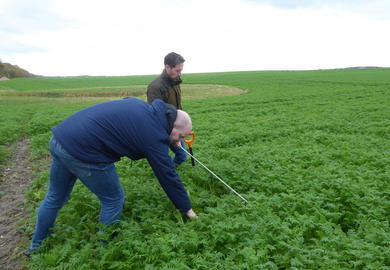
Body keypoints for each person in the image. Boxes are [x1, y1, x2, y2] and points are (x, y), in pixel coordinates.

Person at [25, 97, 197, 256]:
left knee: (55, 196)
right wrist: (187, 208)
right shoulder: (153, 135)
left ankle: (35, 246)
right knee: (113, 199)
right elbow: (167, 175)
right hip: (83, 151)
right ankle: (106, 251)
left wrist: (173, 140)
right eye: (180, 137)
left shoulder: (143, 107)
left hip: (60, 138)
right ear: (173, 126)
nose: (179, 141)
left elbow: (163, 134)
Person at [147, 52, 187, 165]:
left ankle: (170, 169)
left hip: (176, 126)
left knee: (182, 155)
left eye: (181, 70)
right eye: (177, 70)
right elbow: (156, 114)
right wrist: (173, 137)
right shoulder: (155, 87)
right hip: (164, 129)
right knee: (176, 156)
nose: (180, 74)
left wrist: (182, 125)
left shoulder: (175, 82)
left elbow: (177, 107)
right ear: (167, 67)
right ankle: (167, 172)